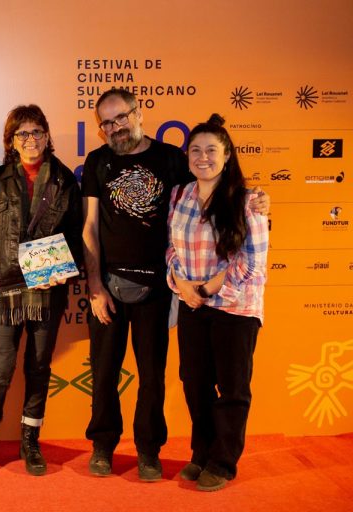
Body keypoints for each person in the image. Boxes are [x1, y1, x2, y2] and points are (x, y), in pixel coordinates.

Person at [81, 89, 269, 481]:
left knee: (154, 377)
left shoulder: (172, 160)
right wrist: (94, 285)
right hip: (115, 287)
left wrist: (259, 202)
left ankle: (150, 451)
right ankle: (103, 446)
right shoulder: (97, 161)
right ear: (101, 129)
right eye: (107, 122)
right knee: (105, 372)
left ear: (138, 113)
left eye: (121, 117)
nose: (116, 127)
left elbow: (217, 190)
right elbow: (90, 226)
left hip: (161, 291)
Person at [0, 105, 83, 476]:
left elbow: (77, 236)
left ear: (47, 136)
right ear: (11, 141)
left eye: (36, 132)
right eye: (22, 134)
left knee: (38, 366)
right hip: (5, 288)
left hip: (48, 289)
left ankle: (30, 441)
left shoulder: (65, 180)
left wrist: (62, 271)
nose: (30, 139)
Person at [166, 114, 268, 492]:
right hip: (192, 303)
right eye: (195, 150)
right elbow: (171, 249)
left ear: (227, 155)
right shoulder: (180, 195)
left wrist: (207, 289)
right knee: (195, 383)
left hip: (235, 307)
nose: (203, 157)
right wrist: (181, 283)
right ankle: (202, 453)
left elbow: (252, 261)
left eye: (211, 150)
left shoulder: (247, 201)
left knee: (232, 387)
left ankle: (223, 462)